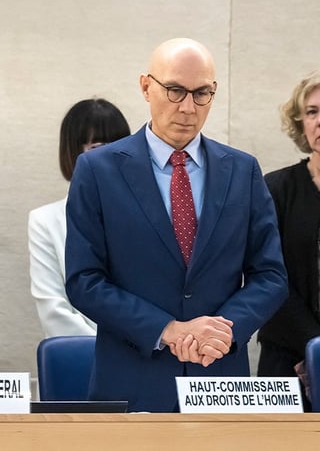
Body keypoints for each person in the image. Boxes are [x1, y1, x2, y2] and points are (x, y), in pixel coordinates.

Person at [65, 38, 288, 412]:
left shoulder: (243, 169)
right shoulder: (97, 170)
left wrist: (223, 330)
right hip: (131, 383)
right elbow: (84, 280)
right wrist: (168, 330)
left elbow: (270, 275)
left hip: (219, 379)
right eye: (175, 90)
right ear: (145, 87)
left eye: (202, 93)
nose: (188, 107)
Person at [28, 98, 130, 337]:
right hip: (83, 359)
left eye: (119, 146)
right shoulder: (45, 221)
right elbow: (53, 309)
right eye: (96, 147)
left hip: (150, 356)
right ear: (73, 151)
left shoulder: (151, 214)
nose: (110, 157)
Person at [258, 71, 320, 408]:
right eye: (312, 111)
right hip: (286, 364)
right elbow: (265, 277)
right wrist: (314, 349)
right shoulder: (276, 189)